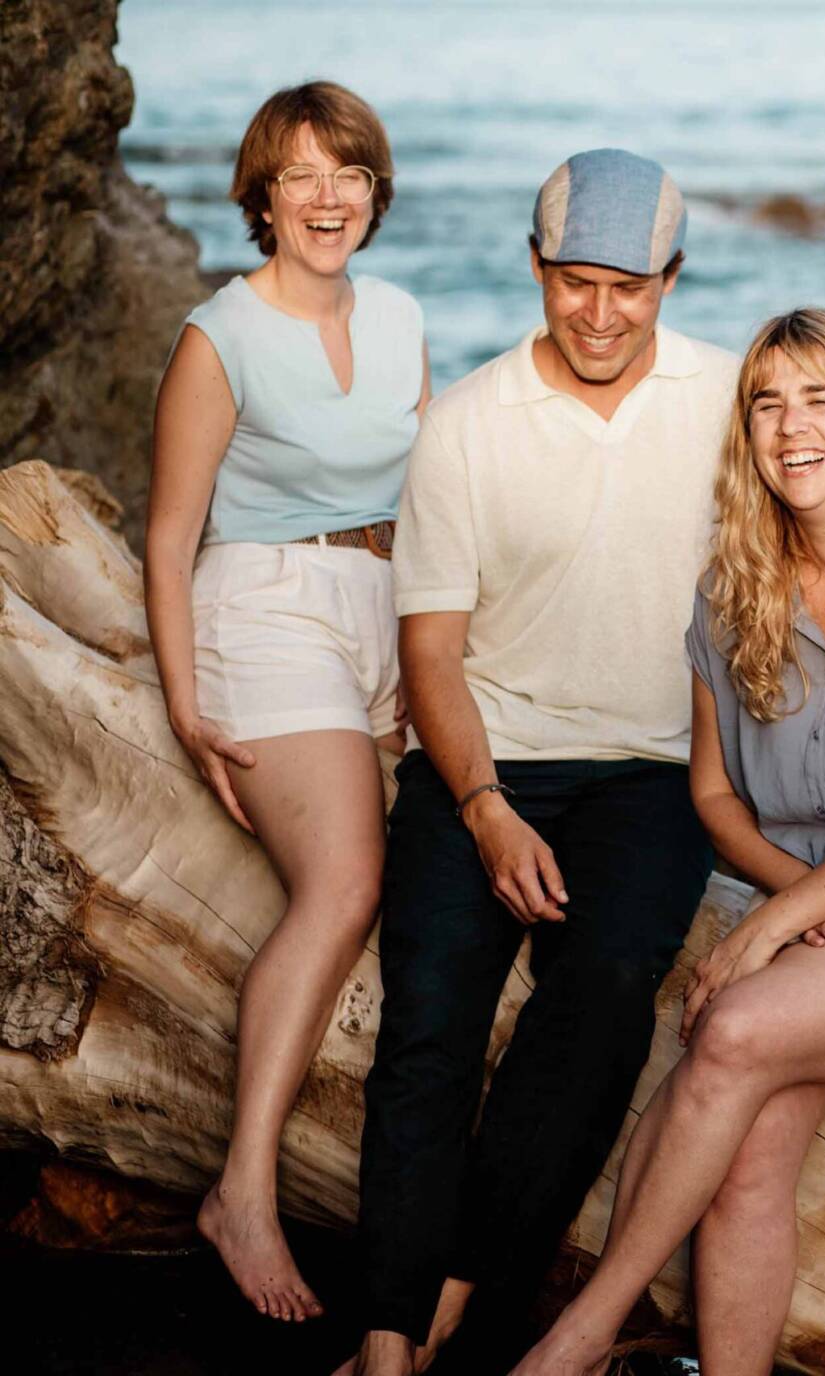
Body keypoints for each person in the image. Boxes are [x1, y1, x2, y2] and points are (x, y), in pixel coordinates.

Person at [509, 307, 825, 1376]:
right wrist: (809, 897)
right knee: (749, 1151)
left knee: (735, 1030)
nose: (792, 425)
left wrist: (773, 929)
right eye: (766, 402)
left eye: (819, 397)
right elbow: (712, 794)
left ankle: (576, 1336)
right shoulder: (731, 585)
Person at [340, 149, 738, 1376]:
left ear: (670, 278)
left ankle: (454, 1287)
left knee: (608, 989)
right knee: (430, 1024)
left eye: (630, 285)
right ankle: (387, 1341)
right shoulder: (463, 425)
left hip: (653, 770)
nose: (602, 312)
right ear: (535, 269)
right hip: (487, 753)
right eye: (576, 283)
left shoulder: (731, 402)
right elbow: (433, 656)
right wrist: (485, 806)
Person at [143, 80, 426, 1325]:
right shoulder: (220, 336)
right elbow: (167, 536)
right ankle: (242, 1190)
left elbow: (435, 501)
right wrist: (186, 697)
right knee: (348, 883)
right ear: (263, 195)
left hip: (382, 601)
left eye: (347, 173)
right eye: (300, 174)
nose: (326, 197)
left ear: (374, 192)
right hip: (262, 602)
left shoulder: (407, 316)